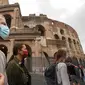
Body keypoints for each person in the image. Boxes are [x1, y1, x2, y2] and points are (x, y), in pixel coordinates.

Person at [0, 14, 10, 85]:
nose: (5, 27)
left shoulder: (2, 55)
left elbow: (5, 81)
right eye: (2, 24)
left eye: (5, 24)